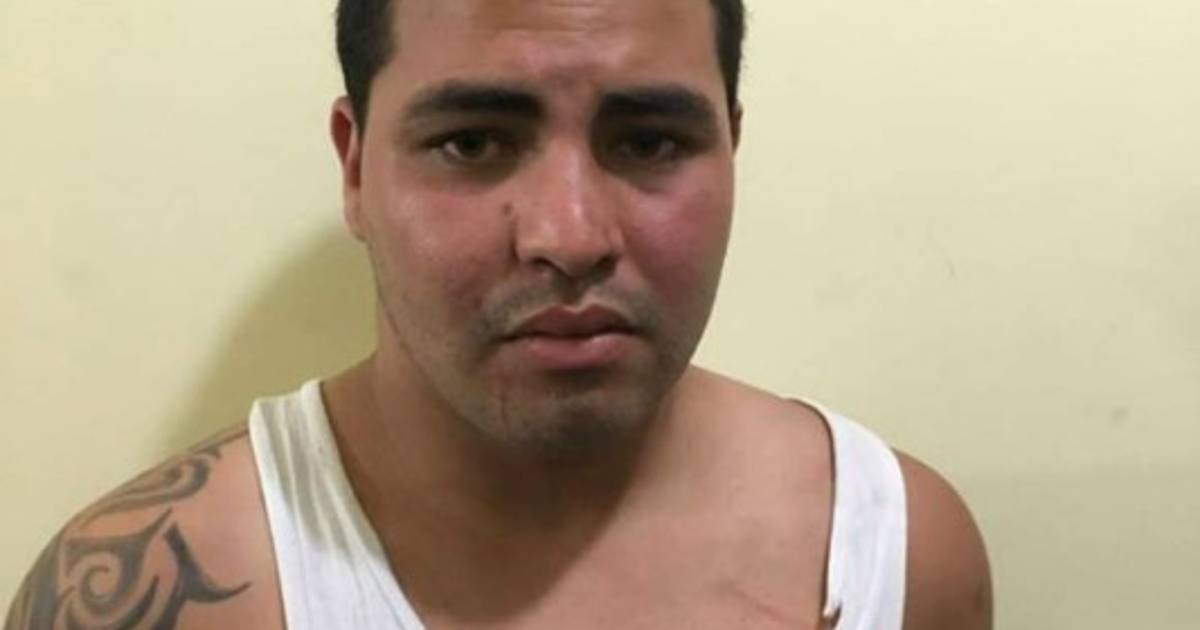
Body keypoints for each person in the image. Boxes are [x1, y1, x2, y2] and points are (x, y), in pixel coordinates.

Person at [5, 0, 992, 628]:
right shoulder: (164, 591)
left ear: (731, 149)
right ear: (355, 168)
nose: (570, 235)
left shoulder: (897, 556)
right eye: (473, 141)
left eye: (650, 142)